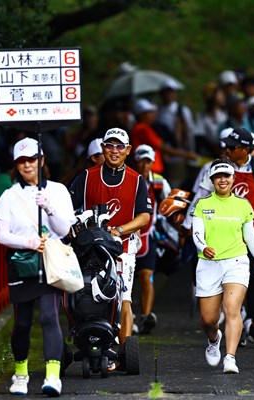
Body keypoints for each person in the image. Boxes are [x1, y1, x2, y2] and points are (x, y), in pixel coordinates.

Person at [0, 137, 76, 397]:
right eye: (21, 161)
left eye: (32, 160)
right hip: (21, 263)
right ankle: (20, 374)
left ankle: (52, 376)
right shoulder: (9, 195)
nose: (27, 166)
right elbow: (1, 235)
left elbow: (65, 231)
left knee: (50, 316)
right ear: (15, 166)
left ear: (42, 161)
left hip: (50, 263)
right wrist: (28, 242)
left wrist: (48, 207)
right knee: (23, 322)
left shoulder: (59, 191)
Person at [190, 127, 254, 347]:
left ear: (245, 149)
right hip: (223, 231)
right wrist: (190, 225)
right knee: (227, 277)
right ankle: (236, 319)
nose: (227, 149)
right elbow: (201, 195)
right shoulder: (221, 166)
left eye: (232, 147)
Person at [69, 127, 152, 363]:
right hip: (89, 247)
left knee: (124, 297)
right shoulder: (86, 177)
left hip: (123, 247)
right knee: (86, 293)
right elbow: (68, 209)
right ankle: (86, 340)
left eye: (119, 146)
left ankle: (124, 353)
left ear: (128, 150)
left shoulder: (137, 180)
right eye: (110, 145)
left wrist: (118, 230)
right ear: (102, 148)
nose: (114, 151)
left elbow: (144, 216)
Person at [190, 157, 254, 374]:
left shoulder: (243, 205)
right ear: (212, 179)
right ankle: (214, 339)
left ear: (233, 179)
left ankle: (230, 358)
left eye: (226, 176)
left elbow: (250, 237)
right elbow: (196, 233)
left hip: (236, 262)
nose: (222, 180)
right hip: (208, 264)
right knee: (208, 319)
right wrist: (204, 247)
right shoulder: (202, 204)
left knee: (232, 309)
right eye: (218, 176)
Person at [133, 145, 172, 335]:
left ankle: (146, 316)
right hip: (127, 234)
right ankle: (128, 315)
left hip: (149, 236)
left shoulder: (159, 183)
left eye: (148, 161)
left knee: (146, 276)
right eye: (141, 160)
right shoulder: (128, 179)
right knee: (128, 279)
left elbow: (170, 204)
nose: (145, 164)